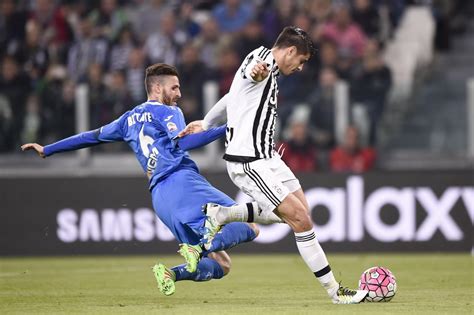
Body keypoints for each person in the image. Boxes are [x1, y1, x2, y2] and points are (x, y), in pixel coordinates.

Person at [21, 63, 259, 296]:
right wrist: (228, 129)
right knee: (251, 225)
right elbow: (184, 142)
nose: (179, 94)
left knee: (222, 264)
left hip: (160, 198)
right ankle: (199, 248)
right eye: (174, 88)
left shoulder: (127, 120)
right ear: (157, 88)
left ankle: (171, 274)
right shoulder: (168, 111)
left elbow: (90, 137)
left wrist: (48, 149)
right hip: (182, 182)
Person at [179, 26, 367, 304]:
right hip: (249, 161)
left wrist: (207, 122)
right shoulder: (263, 62)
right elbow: (254, 72)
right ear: (290, 51)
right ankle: (335, 291)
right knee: (300, 221)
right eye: (301, 61)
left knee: (302, 213)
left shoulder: (264, 61)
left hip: (269, 157)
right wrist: (259, 71)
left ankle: (222, 215)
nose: (301, 67)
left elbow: (233, 95)